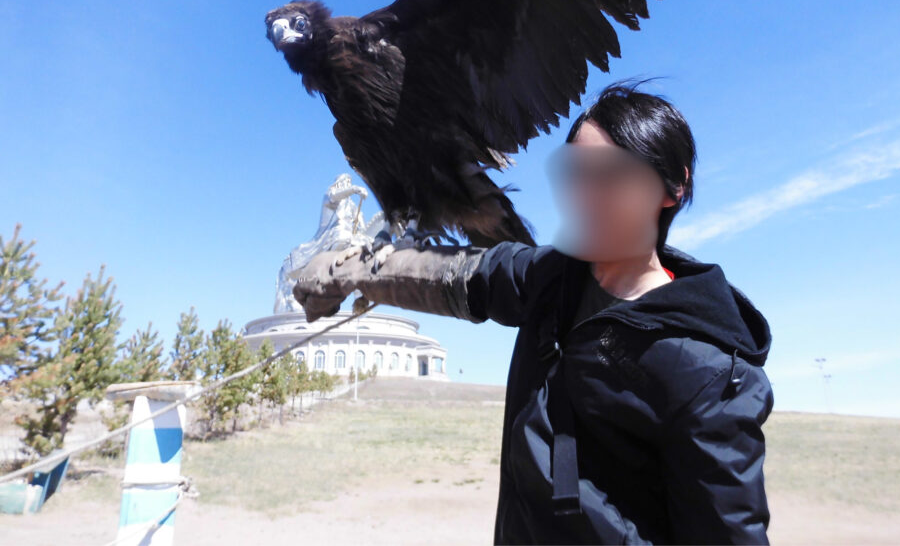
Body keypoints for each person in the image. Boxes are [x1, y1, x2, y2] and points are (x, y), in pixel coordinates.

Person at [293, 80, 774, 545]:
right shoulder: (550, 278)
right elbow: (451, 277)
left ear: (673, 187)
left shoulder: (709, 376)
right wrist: (350, 272)